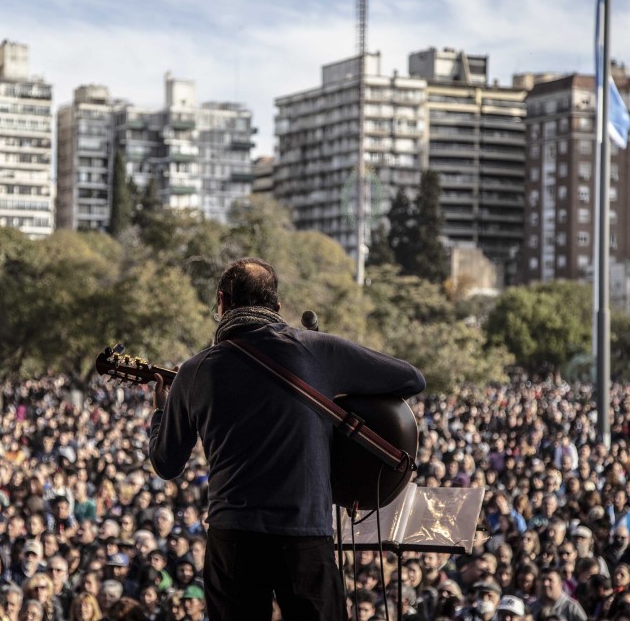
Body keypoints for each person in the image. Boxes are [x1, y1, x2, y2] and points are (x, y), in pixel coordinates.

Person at [150, 257, 426, 621]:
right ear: (278, 307)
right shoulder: (318, 350)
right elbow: (412, 379)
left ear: (221, 302)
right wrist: (336, 401)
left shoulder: (193, 371)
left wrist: (160, 412)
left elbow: (166, 463)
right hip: (305, 534)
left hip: (233, 537)